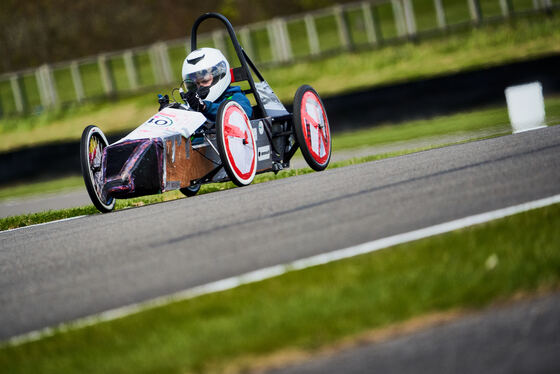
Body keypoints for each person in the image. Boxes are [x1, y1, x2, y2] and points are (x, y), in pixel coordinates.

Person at [178, 47, 253, 121]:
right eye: (196, 84)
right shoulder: (195, 105)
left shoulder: (237, 98)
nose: (200, 87)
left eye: (205, 81)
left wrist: (205, 107)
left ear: (220, 75)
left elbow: (238, 115)